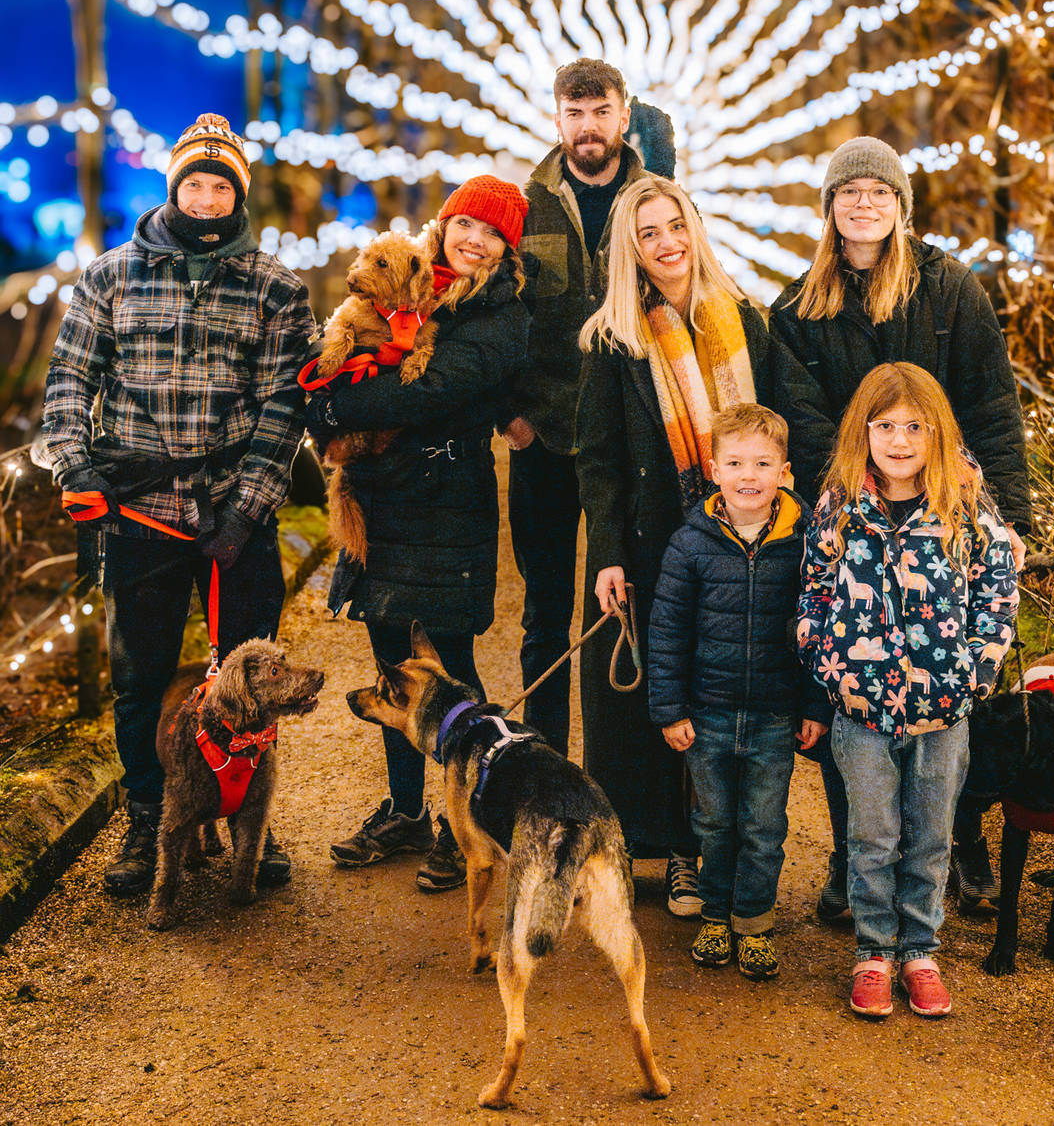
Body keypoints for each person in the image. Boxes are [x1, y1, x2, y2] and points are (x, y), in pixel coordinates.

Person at [42, 113, 316, 896]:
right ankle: (146, 820)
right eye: (193, 183)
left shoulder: (277, 289)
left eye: (218, 184)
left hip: (238, 510)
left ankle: (248, 829)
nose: (204, 197)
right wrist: (76, 468)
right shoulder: (109, 277)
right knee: (142, 677)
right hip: (141, 508)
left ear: (237, 194)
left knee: (253, 683)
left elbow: (281, 409)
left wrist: (249, 507)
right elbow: (69, 384)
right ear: (173, 190)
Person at [769, 135, 1031, 919]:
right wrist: (848, 491)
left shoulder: (949, 288)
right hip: (853, 517)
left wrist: (1008, 516)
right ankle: (856, 864)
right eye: (849, 192)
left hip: (946, 512)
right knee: (855, 692)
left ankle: (961, 847)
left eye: (879, 192)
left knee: (947, 687)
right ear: (829, 207)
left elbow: (991, 403)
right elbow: (804, 419)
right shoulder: (799, 308)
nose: (864, 203)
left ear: (900, 206)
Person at [304, 175, 530, 892]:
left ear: (506, 250)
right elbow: (335, 365)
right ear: (445, 223)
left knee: (452, 670)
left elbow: (429, 394)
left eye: (492, 234)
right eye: (466, 224)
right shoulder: (400, 282)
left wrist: (333, 407)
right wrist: (328, 402)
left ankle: (463, 818)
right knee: (390, 663)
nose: (475, 240)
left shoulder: (500, 317)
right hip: (381, 500)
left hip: (445, 507)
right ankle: (405, 808)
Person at [795, 362, 1016, 1020]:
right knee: (871, 835)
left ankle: (920, 949)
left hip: (942, 711)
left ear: (936, 432)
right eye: (885, 426)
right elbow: (814, 589)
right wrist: (826, 658)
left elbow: (996, 593)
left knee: (930, 835)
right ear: (864, 432)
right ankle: (873, 951)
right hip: (861, 710)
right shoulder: (839, 505)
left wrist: (975, 670)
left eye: (914, 427)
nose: (899, 440)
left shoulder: (965, 505)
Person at [575, 176, 771, 917]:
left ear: (695, 227)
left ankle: (696, 854)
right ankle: (626, 847)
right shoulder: (611, 339)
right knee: (641, 702)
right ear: (631, 248)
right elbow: (596, 459)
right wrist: (608, 555)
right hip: (654, 544)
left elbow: (785, 427)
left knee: (716, 697)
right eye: (648, 232)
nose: (667, 243)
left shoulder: (747, 320)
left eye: (675, 225)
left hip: (739, 544)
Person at [502, 60, 669, 756]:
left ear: (623, 116)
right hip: (542, 436)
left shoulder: (655, 200)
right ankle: (543, 767)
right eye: (574, 113)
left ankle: (620, 771)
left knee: (623, 603)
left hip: (625, 442)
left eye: (600, 111)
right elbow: (494, 313)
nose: (588, 126)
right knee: (545, 613)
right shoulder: (525, 204)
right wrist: (508, 414)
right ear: (557, 119)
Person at [648, 404, 829, 980]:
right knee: (714, 823)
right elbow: (667, 632)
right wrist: (670, 709)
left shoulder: (807, 543)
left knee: (764, 827)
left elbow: (820, 629)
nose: (748, 475)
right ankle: (715, 915)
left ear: (785, 471)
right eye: (735, 463)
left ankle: (753, 922)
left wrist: (815, 706)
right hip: (709, 715)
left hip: (776, 716)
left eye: (761, 462)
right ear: (714, 470)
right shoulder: (691, 543)